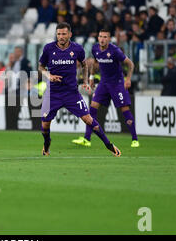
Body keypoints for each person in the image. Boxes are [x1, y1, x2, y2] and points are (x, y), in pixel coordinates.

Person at [38, 22, 122, 157]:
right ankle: (47, 143)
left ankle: (109, 145)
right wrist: (49, 75)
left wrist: (84, 80)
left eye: (64, 34)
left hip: (71, 93)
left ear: (70, 34)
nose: (61, 37)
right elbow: (41, 67)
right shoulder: (49, 49)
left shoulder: (77, 49)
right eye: (59, 34)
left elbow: (85, 65)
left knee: (89, 119)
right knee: (45, 125)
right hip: (53, 93)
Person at [72, 29, 139, 148]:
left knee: (125, 110)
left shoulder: (115, 51)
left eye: (105, 37)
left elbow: (130, 64)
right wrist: (92, 77)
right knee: (92, 107)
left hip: (117, 84)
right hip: (103, 83)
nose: (102, 39)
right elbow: (95, 63)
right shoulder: (95, 49)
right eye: (100, 36)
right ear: (98, 38)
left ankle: (134, 139)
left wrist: (128, 79)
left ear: (109, 39)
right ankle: (87, 139)